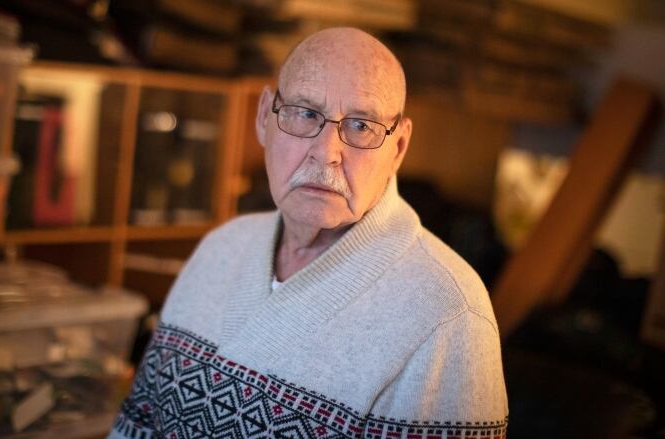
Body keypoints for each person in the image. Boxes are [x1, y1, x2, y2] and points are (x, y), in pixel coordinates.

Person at [109, 27, 508, 439]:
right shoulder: (221, 247)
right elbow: (137, 424)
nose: (327, 151)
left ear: (399, 147)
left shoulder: (447, 312)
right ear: (265, 118)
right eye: (304, 113)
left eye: (361, 125)